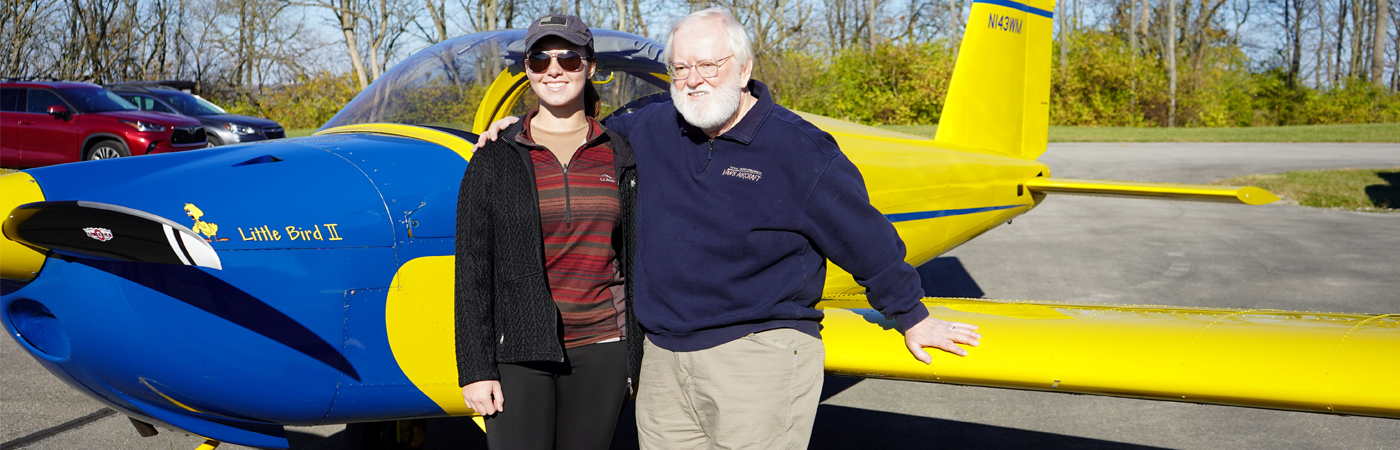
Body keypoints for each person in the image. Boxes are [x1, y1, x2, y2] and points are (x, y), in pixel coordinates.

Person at [476, 8, 982, 449]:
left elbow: (867, 240)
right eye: (681, 68)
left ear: (743, 69)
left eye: (709, 65)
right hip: (664, 361)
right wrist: (516, 130)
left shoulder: (801, 150)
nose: (694, 79)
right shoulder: (648, 127)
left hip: (757, 355)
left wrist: (912, 315)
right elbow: (574, 128)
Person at [454, 13, 640, 450]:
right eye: (540, 59)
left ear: (590, 67)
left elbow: (633, 255)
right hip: (518, 349)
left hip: (602, 346)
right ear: (528, 71)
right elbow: (472, 271)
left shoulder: (621, 154)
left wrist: (634, 351)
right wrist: (475, 369)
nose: (554, 69)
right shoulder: (495, 156)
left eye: (569, 59)